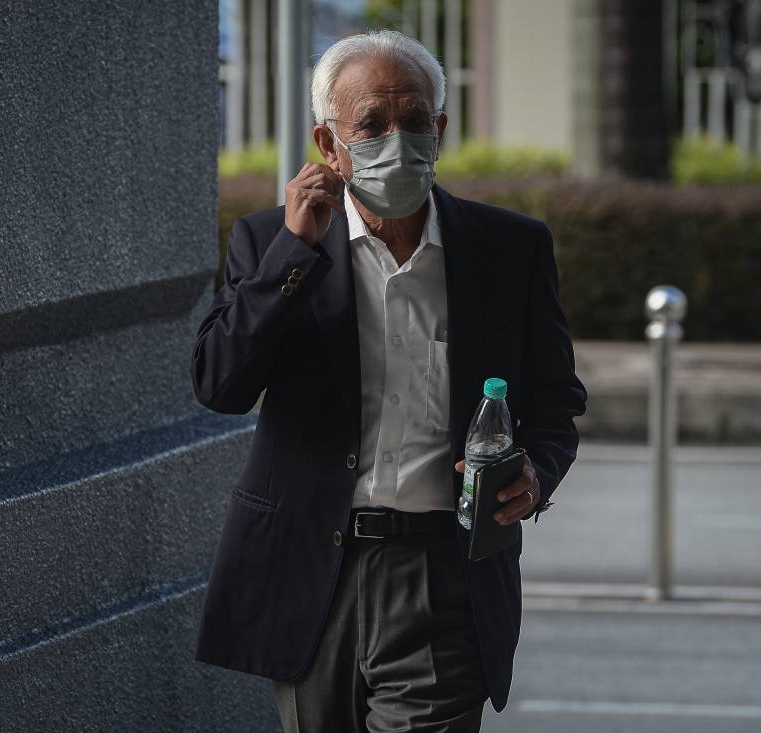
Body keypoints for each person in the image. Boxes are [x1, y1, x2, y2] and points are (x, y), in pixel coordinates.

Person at [190, 29, 587, 733]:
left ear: (441, 129)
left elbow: (556, 400)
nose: (396, 140)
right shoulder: (270, 243)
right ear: (328, 143)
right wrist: (293, 250)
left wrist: (538, 470)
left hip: (442, 572)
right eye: (371, 124)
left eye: (414, 122)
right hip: (311, 568)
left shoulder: (509, 249)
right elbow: (220, 383)